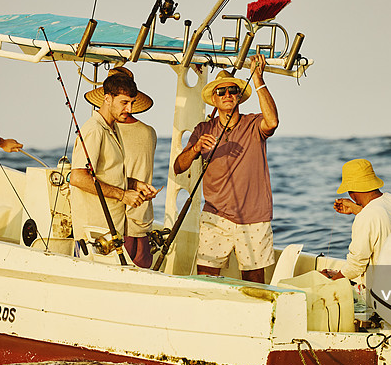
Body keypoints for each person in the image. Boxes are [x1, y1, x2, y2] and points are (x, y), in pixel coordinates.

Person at [173, 54, 278, 284]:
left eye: (232, 90)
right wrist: (195, 149)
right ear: (214, 98)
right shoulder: (203, 129)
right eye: (221, 92)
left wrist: (258, 79)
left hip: (254, 217)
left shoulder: (253, 123)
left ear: (239, 96)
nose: (227, 95)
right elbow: (178, 167)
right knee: (206, 278)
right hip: (215, 215)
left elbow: (272, 122)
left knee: (254, 281)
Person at [70, 72, 158, 254]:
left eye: (132, 103)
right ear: (107, 99)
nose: (130, 109)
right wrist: (123, 195)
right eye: (124, 103)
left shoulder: (112, 127)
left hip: (111, 230)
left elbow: (107, 173)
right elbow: (78, 177)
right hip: (94, 231)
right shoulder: (94, 130)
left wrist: (135, 184)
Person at [320, 159, 391, 282]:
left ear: (351, 191)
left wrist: (331, 281)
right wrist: (356, 209)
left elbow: (355, 266)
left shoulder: (366, 217)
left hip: (379, 289)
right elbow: (380, 221)